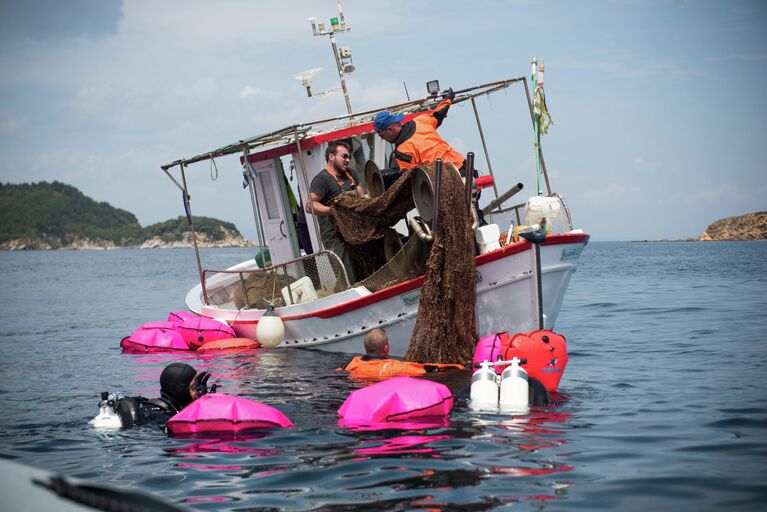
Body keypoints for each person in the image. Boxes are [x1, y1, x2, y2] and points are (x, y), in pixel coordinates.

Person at [305, 141, 364, 282]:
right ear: (331, 156)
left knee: (362, 267)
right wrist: (333, 211)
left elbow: (361, 197)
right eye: (344, 156)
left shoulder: (351, 174)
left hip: (353, 232)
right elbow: (310, 206)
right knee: (346, 273)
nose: (348, 160)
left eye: (348, 157)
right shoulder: (322, 179)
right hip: (334, 236)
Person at [374, 88, 466, 173]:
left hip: (447, 180)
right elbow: (439, 114)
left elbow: (411, 179)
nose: (383, 139)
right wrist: (448, 99)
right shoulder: (421, 120)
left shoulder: (402, 152)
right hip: (463, 165)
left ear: (390, 129)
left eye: (382, 136)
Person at [104, 363, 214, 429]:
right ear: (180, 390)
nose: (198, 392)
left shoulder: (156, 407)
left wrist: (203, 400)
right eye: (194, 387)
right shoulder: (163, 417)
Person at [342, 328, 464, 379]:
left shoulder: (352, 363)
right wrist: (460, 367)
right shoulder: (397, 367)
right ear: (386, 349)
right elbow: (430, 369)